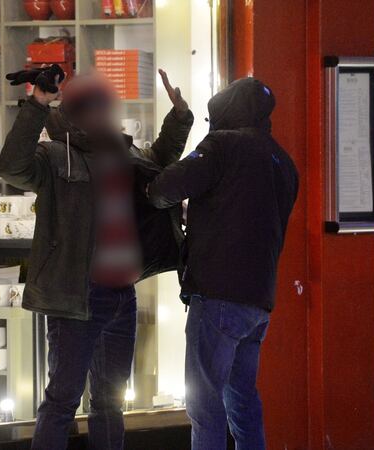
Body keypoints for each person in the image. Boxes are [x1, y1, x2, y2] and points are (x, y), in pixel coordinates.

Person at [0, 67, 193, 450]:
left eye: (107, 106)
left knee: (110, 403)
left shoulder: (125, 152)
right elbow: (11, 167)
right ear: (76, 112)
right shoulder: (56, 156)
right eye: (97, 106)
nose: (107, 114)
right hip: (76, 297)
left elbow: (161, 158)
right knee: (62, 401)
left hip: (122, 294)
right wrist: (36, 104)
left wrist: (180, 114)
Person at [147, 77, 299, 450]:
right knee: (242, 398)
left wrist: (158, 194)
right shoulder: (282, 161)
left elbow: (166, 187)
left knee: (204, 402)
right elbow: (245, 211)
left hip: (217, 295)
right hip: (258, 302)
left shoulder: (223, 145)